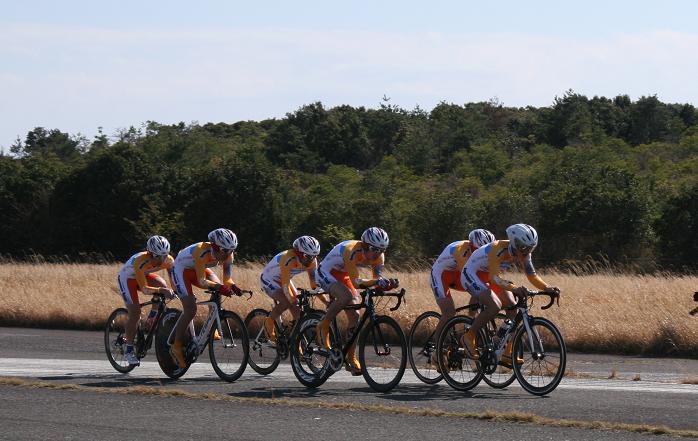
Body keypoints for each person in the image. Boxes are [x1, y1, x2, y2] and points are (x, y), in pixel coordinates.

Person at [460, 223, 560, 368]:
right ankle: (469, 336)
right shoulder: (498, 249)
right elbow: (494, 278)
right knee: (494, 306)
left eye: (531, 248)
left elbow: (532, 275)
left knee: (513, 309)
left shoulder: (524, 253)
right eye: (524, 248)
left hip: (488, 275)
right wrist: (514, 288)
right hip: (471, 274)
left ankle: (508, 351)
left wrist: (546, 287)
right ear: (514, 243)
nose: (527, 252)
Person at [315, 227, 399, 375]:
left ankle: (351, 358)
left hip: (343, 275)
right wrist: (377, 282)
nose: (377, 254)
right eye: (374, 249)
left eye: (381, 250)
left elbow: (376, 280)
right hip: (325, 272)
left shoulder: (379, 257)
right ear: (365, 245)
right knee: (345, 296)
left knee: (355, 315)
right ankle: (323, 325)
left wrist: (387, 285)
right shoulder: (351, 250)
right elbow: (357, 282)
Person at [169, 228, 245, 368]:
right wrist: (220, 287)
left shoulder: (228, 254)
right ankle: (176, 346)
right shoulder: (201, 251)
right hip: (181, 270)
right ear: (215, 247)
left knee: (218, 288)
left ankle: (211, 326)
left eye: (231, 251)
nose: (228, 254)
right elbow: (202, 281)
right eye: (225, 251)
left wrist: (233, 286)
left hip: (197, 269)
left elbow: (227, 280)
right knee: (191, 309)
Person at [429, 229, 495, 368]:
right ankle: (437, 351)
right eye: (477, 250)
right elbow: (467, 276)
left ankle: (469, 324)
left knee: (482, 290)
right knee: (449, 312)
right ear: (470, 245)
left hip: (457, 274)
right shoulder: (460, 250)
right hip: (441, 275)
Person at [116, 235, 175, 366]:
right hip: (127, 279)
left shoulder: (169, 260)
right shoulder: (140, 261)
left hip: (143, 275)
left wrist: (177, 290)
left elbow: (174, 281)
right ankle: (129, 351)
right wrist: (162, 290)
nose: (162, 260)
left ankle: (152, 317)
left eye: (164, 256)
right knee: (135, 313)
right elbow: (145, 289)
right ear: (150, 253)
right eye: (158, 256)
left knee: (163, 285)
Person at [260, 236, 321, 343]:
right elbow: (285, 286)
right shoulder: (288, 259)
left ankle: (296, 345)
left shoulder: (312, 261)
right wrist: (293, 301)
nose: (310, 260)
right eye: (307, 256)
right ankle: (268, 322)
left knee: (298, 315)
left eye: (314, 256)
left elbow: (314, 282)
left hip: (284, 279)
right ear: (298, 253)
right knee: (287, 301)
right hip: (269, 279)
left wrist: (323, 298)